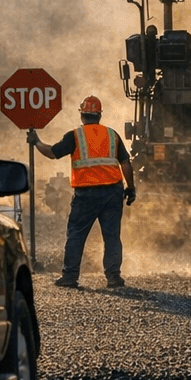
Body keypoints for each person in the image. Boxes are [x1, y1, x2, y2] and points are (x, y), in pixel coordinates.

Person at [28, 95, 137, 289]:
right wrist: (131, 187)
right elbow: (126, 163)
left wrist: (36, 142)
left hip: (86, 195)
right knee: (111, 236)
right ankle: (113, 277)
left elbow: (52, 152)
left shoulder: (75, 136)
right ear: (99, 115)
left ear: (82, 115)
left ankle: (70, 277)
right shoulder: (112, 135)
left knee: (76, 234)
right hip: (113, 192)